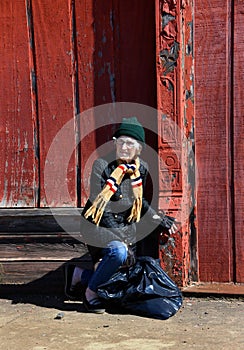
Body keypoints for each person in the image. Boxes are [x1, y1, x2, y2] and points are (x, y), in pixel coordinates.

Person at [65, 117, 177, 314]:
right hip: (97, 225)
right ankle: (90, 293)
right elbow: (104, 208)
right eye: (121, 142)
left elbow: (138, 202)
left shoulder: (140, 168)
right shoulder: (101, 165)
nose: (124, 147)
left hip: (125, 226)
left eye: (130, 143)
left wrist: (159, 219)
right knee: (119, 252)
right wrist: (122, 238)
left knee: (125, 276)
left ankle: (79, 276)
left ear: (139, 148)